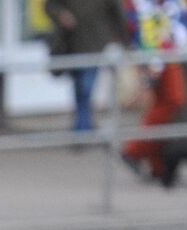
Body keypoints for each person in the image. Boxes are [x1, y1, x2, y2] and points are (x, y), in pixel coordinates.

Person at [122, 0, 187, 186]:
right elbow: (136, 25)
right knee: (175, 100)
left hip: (169, 50)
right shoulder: (137, 5)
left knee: (164, 104)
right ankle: (135, 151)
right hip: (157, 53)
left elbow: (180, 20)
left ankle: (158, 165)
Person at [44, 0, 127, 133]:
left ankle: (82, 130)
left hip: (95, 45)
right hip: (71, 45)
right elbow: (50, 5)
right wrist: (61, 15)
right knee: (80, 88)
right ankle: (85, 125)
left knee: (85, 87)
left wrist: (124, 40)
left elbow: (118, 13)